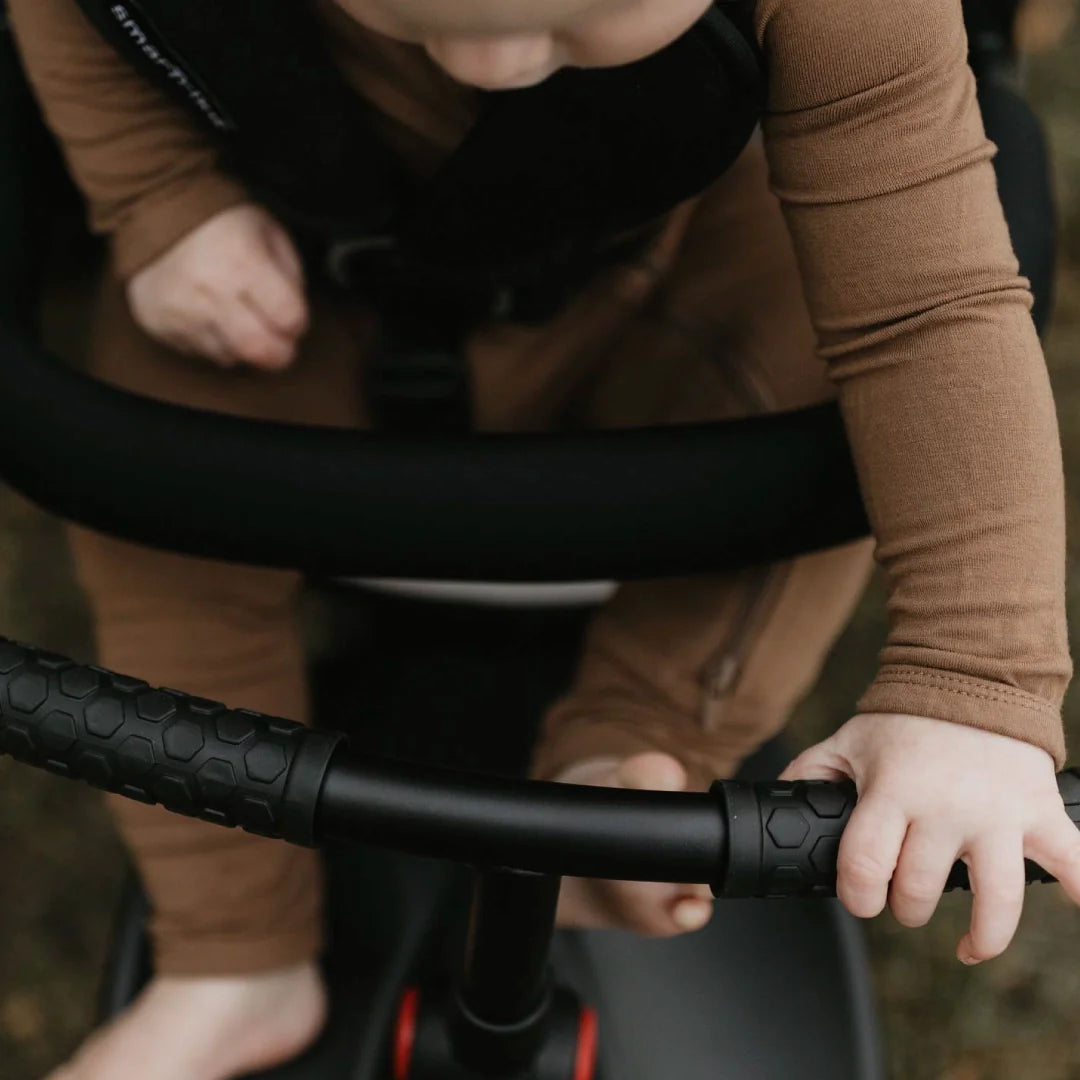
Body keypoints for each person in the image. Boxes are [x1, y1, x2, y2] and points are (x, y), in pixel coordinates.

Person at [8, 0, 1080, 1077]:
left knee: (840, 409)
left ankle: (626, 755)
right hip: (294, 269)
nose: (496, 64)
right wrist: (155, 192)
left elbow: (927, 311)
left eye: (577, 16)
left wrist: (970, 677)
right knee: (158, 450)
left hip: (670, 283)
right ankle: (233, 952)